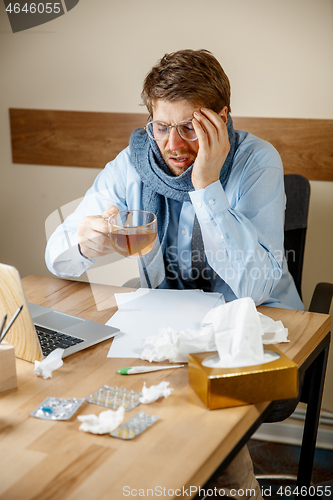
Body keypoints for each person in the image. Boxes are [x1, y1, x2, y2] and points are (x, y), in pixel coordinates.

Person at [45, 49, 304, 499]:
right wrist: (89, 242)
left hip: (258, 329)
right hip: (170, 332)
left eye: (191, 128)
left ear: (222, 119)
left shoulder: (256, 162)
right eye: (162, 127)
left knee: (198, 414)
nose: (173, 145)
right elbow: (56, 257)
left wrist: (206, 185)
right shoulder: (134, 164)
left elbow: (255, 285)